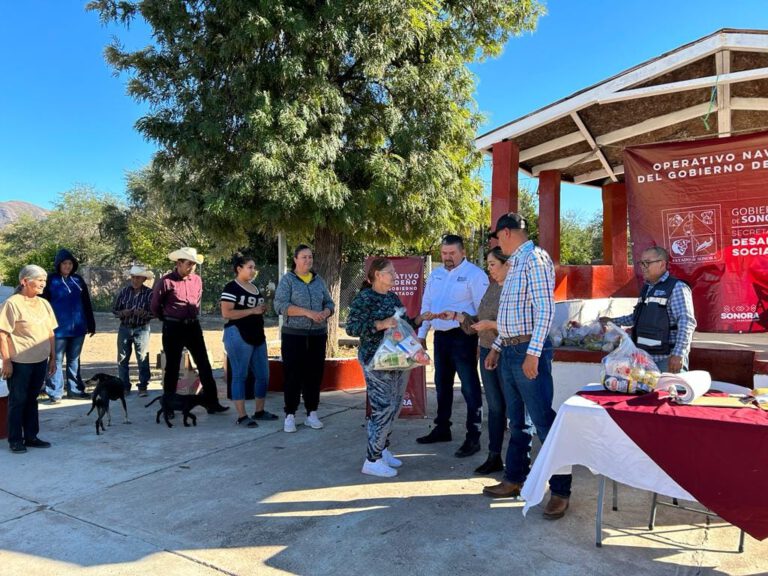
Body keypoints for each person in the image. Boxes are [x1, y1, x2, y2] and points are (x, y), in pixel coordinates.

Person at [482, 212, 572, 521]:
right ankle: (514, 478)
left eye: (497, 237)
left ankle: (560, 491)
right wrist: (497, 347)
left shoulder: (534, 259)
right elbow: (512, 316)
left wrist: (533, 354)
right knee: (517, 422)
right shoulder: (517, 263)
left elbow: (545, 309)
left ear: (506, 233)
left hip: (526, 353)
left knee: (544, 422)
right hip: (510, 350)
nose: (497, 243)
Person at [346, 258, 427, 478]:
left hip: (396, 361)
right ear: (378, 275)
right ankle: (372, 460)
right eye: (390, 272)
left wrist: (420, 319)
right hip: (375, 362)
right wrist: (380, 324)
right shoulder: (365, 298)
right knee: (382, 409)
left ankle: (382, 450)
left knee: (394, 407)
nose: (395, 276)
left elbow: (404, 324)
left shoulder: (391, 297)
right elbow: (352, 328)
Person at [416, 234, 489, 458]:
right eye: (444, 253)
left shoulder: (475, 275)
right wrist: (421, 335)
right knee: (442, 384)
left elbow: (483, 312)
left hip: (464, 336)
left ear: (463, 252)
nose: (447, 257)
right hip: (441, 337)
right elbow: (426, 305)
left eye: (452, 253)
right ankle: (442, 428)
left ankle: (473, 436)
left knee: (469, 387)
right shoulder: (436, 275)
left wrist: (480, 341)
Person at [440, 247, 510, 474]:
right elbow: (479, 320)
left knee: (516, 411)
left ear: (507, 265)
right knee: (496, 408)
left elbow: (518, 326)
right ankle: (494, 455)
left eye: (492, 265)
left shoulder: (513, 291)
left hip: (508, 354)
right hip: (487, 350)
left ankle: (520, 463)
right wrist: (458, 316)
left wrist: (490, 327)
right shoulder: (491, 288)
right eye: (488, 265)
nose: (489, 270)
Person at [150, 247, 228, 414]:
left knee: (204, 364)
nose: (191, 267)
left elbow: (197, 300)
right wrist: (167, 318)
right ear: (179, 263)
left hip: (192, 326)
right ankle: (169, 405)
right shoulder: (166, 281)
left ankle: (212, 402)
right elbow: (155, 306)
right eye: (189, 263)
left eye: (193, 264)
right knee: (172, 366)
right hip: (173, 326)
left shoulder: (197, 280)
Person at [601, 246, 696, 373]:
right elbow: (637, 317)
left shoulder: (677, 287)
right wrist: (612, 321)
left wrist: (679, 354)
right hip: (644, 359)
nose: (643, 266)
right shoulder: (647, 288)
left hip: (667, 359)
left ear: (662, 264)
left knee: (669, 393)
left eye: (647, 262)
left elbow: (686, 323)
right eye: (641, 263)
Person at [273, 244, 334, 433]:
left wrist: (325, 312)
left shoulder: (318, 280)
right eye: (304, 257)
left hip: (317, 335)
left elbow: (329, 302)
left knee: (314, 375)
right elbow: (280, 305)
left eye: (310, 257)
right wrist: (307, 313)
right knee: (293, 374)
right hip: (294, 336)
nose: (308, 260)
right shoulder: (288, 280)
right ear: (295, 259)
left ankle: (312, 413)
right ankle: (290, 414)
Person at [0, 265, 57, 453]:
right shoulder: (12, 303)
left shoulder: (44, 304)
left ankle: (31, 436)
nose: (43, 284)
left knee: (32, 399)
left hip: (40, 360)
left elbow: (50, 333)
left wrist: (53, 358)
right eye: (40, 280)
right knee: (17, 400)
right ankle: (15, 440)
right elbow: (2, 334)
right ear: (25, 281)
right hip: (19, 362)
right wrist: (6, 361)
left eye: (45, 280)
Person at [220, 253, 278, 428]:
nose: (253, 270)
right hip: (237, 334)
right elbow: (226, 313)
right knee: (240, 375)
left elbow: (255, 309)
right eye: (250, 267)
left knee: (263, 375)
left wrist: (260, 310)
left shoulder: (254, 288)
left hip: (257, 335)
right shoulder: (231, 287)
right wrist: (252, 311)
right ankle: (242, 416)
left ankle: (259, 411)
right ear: (239, 268)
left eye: (254, 267)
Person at [42, 248, 95, 403]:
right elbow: (43, 304)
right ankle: (55, 393)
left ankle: (75, 390)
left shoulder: (78, 280)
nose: (67, 266)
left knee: (74, 359)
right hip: (58, 329)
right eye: (64, 263)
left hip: (78, 328)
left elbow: (86, 303)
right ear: (58, 264)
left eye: (70, 263)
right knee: (55, 360)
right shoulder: (50, 280)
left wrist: (91, 324)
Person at [112, 265, 154, 397]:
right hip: (125, 327)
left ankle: (143, 386)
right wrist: (122, 313)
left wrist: (145, 314)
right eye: (133, 277)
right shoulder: (124, 292)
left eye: (138, 278)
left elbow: (155, 312)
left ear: (143, 279)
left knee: (142, 357)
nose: (135, 280)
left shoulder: (149, 293)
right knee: (122, 358)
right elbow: (115, 309)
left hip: (142, 327)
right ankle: (124, 386)